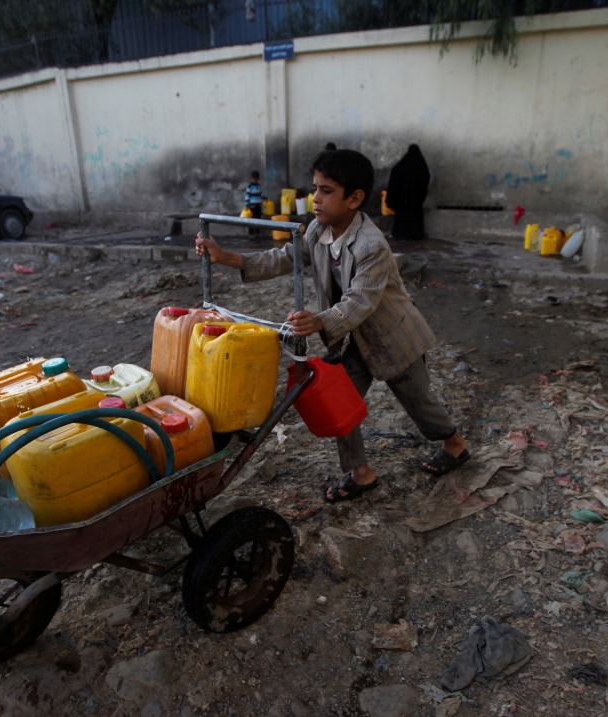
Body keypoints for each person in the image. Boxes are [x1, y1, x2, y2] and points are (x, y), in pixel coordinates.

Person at [196, 149, 469, 503]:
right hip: (349, 338)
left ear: (354, 198)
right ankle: (361, 473)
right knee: (342, 404)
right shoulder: (317, 229)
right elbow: (287, 258)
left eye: (326, 190)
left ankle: (455, 445)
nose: (315, 198)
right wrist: (228, 258)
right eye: (314, 188)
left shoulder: (372, 246)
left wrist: (318, 321)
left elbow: (360, 302)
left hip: (392, 336)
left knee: (419, 401)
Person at [385, 143, 430, 240]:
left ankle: (400, 234)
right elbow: (426, 177)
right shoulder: (421, 166)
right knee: (415, 219)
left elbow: (394, 173)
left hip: (402, 201)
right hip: (415, 201)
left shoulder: (401, 166)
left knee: (402, 218)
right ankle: (415, 236)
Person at [245, 170, 263, 236]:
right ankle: (251, 233)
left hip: (258, 206)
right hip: (251, 206)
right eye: (254, 179)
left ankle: (258, 232)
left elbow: (261, 194)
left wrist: (265, 198)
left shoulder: (259, 186)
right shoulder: (250, 187)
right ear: (251, 179)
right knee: (251, 220)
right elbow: (247, 196)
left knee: (258, 219)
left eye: (256, 179)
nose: (255, 180)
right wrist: (247, 204)